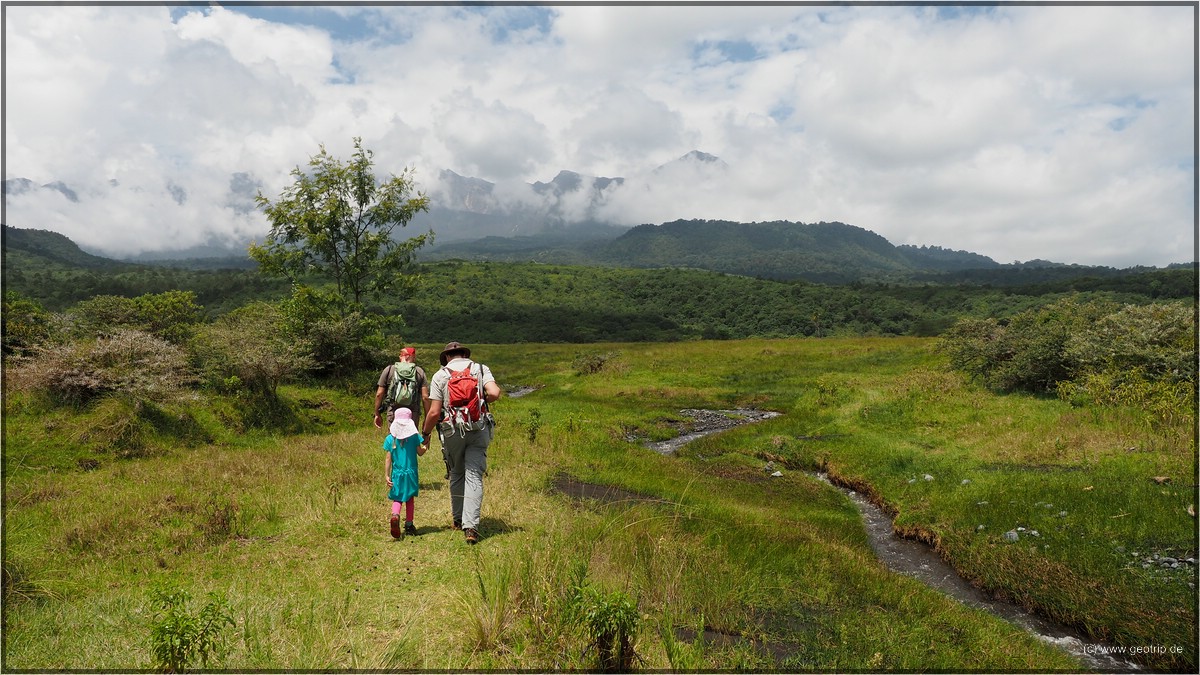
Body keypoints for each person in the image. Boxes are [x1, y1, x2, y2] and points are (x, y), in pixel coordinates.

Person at [421, 341, 501, 545]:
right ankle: (471, 527)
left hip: (452, 431)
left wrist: (426, 433)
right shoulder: (480, 369)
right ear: (465, 354)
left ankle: (457, 519)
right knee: (474, 475)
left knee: (456, 472)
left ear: (447, 357)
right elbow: (494, 393)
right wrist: (480, 402)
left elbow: (434, 412)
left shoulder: (440, 375)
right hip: (478, 428)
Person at [383, 407, 425, 539]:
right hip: (411, 473)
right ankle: (409, 525)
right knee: (410, 498)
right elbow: (420, 452)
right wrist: (426, 446)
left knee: (397, 498)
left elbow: (388, 458)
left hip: (397, 474)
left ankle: (395, 515)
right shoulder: (414, 437)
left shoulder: (390, 439)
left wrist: (387, 474)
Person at [374, 347, 429, 431]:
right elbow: (425, 397)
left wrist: (377, 413)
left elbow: (379, 394)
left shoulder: (389, 370)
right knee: (411, 439)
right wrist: (427, 418)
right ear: (412, 357)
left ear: (402, 357)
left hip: (393, 410)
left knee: (394, 438)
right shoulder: (419, 371)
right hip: (413, 412)